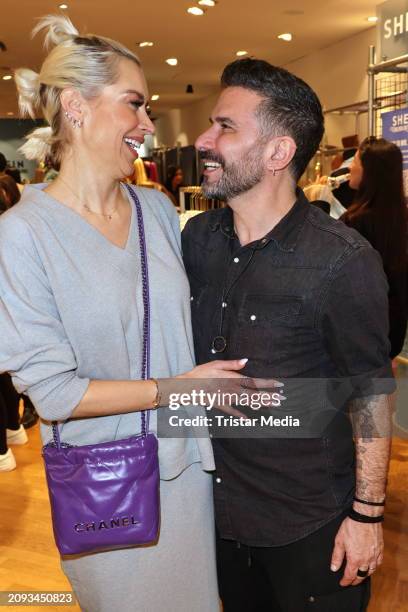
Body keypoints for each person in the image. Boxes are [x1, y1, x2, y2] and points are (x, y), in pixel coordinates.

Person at [0, 15, 252, 612]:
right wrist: (175, 389)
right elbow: (55, 395)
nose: (146, 123)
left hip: (189, 468)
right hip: (103, 484)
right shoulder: (22, 236)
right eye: (133, 104)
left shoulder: (157, 210)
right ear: (76, 105)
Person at [182, 58, 395, 611]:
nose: (205, 140)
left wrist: (367, 517)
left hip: (310, 525)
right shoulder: (197, 239)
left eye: (226, 127)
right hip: (217, 517)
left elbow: (369, 392)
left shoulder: (342, 260)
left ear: (279, 152)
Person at [342, 136, 408, 359]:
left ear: (370, 171)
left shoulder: (355, 222)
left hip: (360, 328)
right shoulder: (401, 217)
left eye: (356, 162)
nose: (350, 167)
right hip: (394, 324)